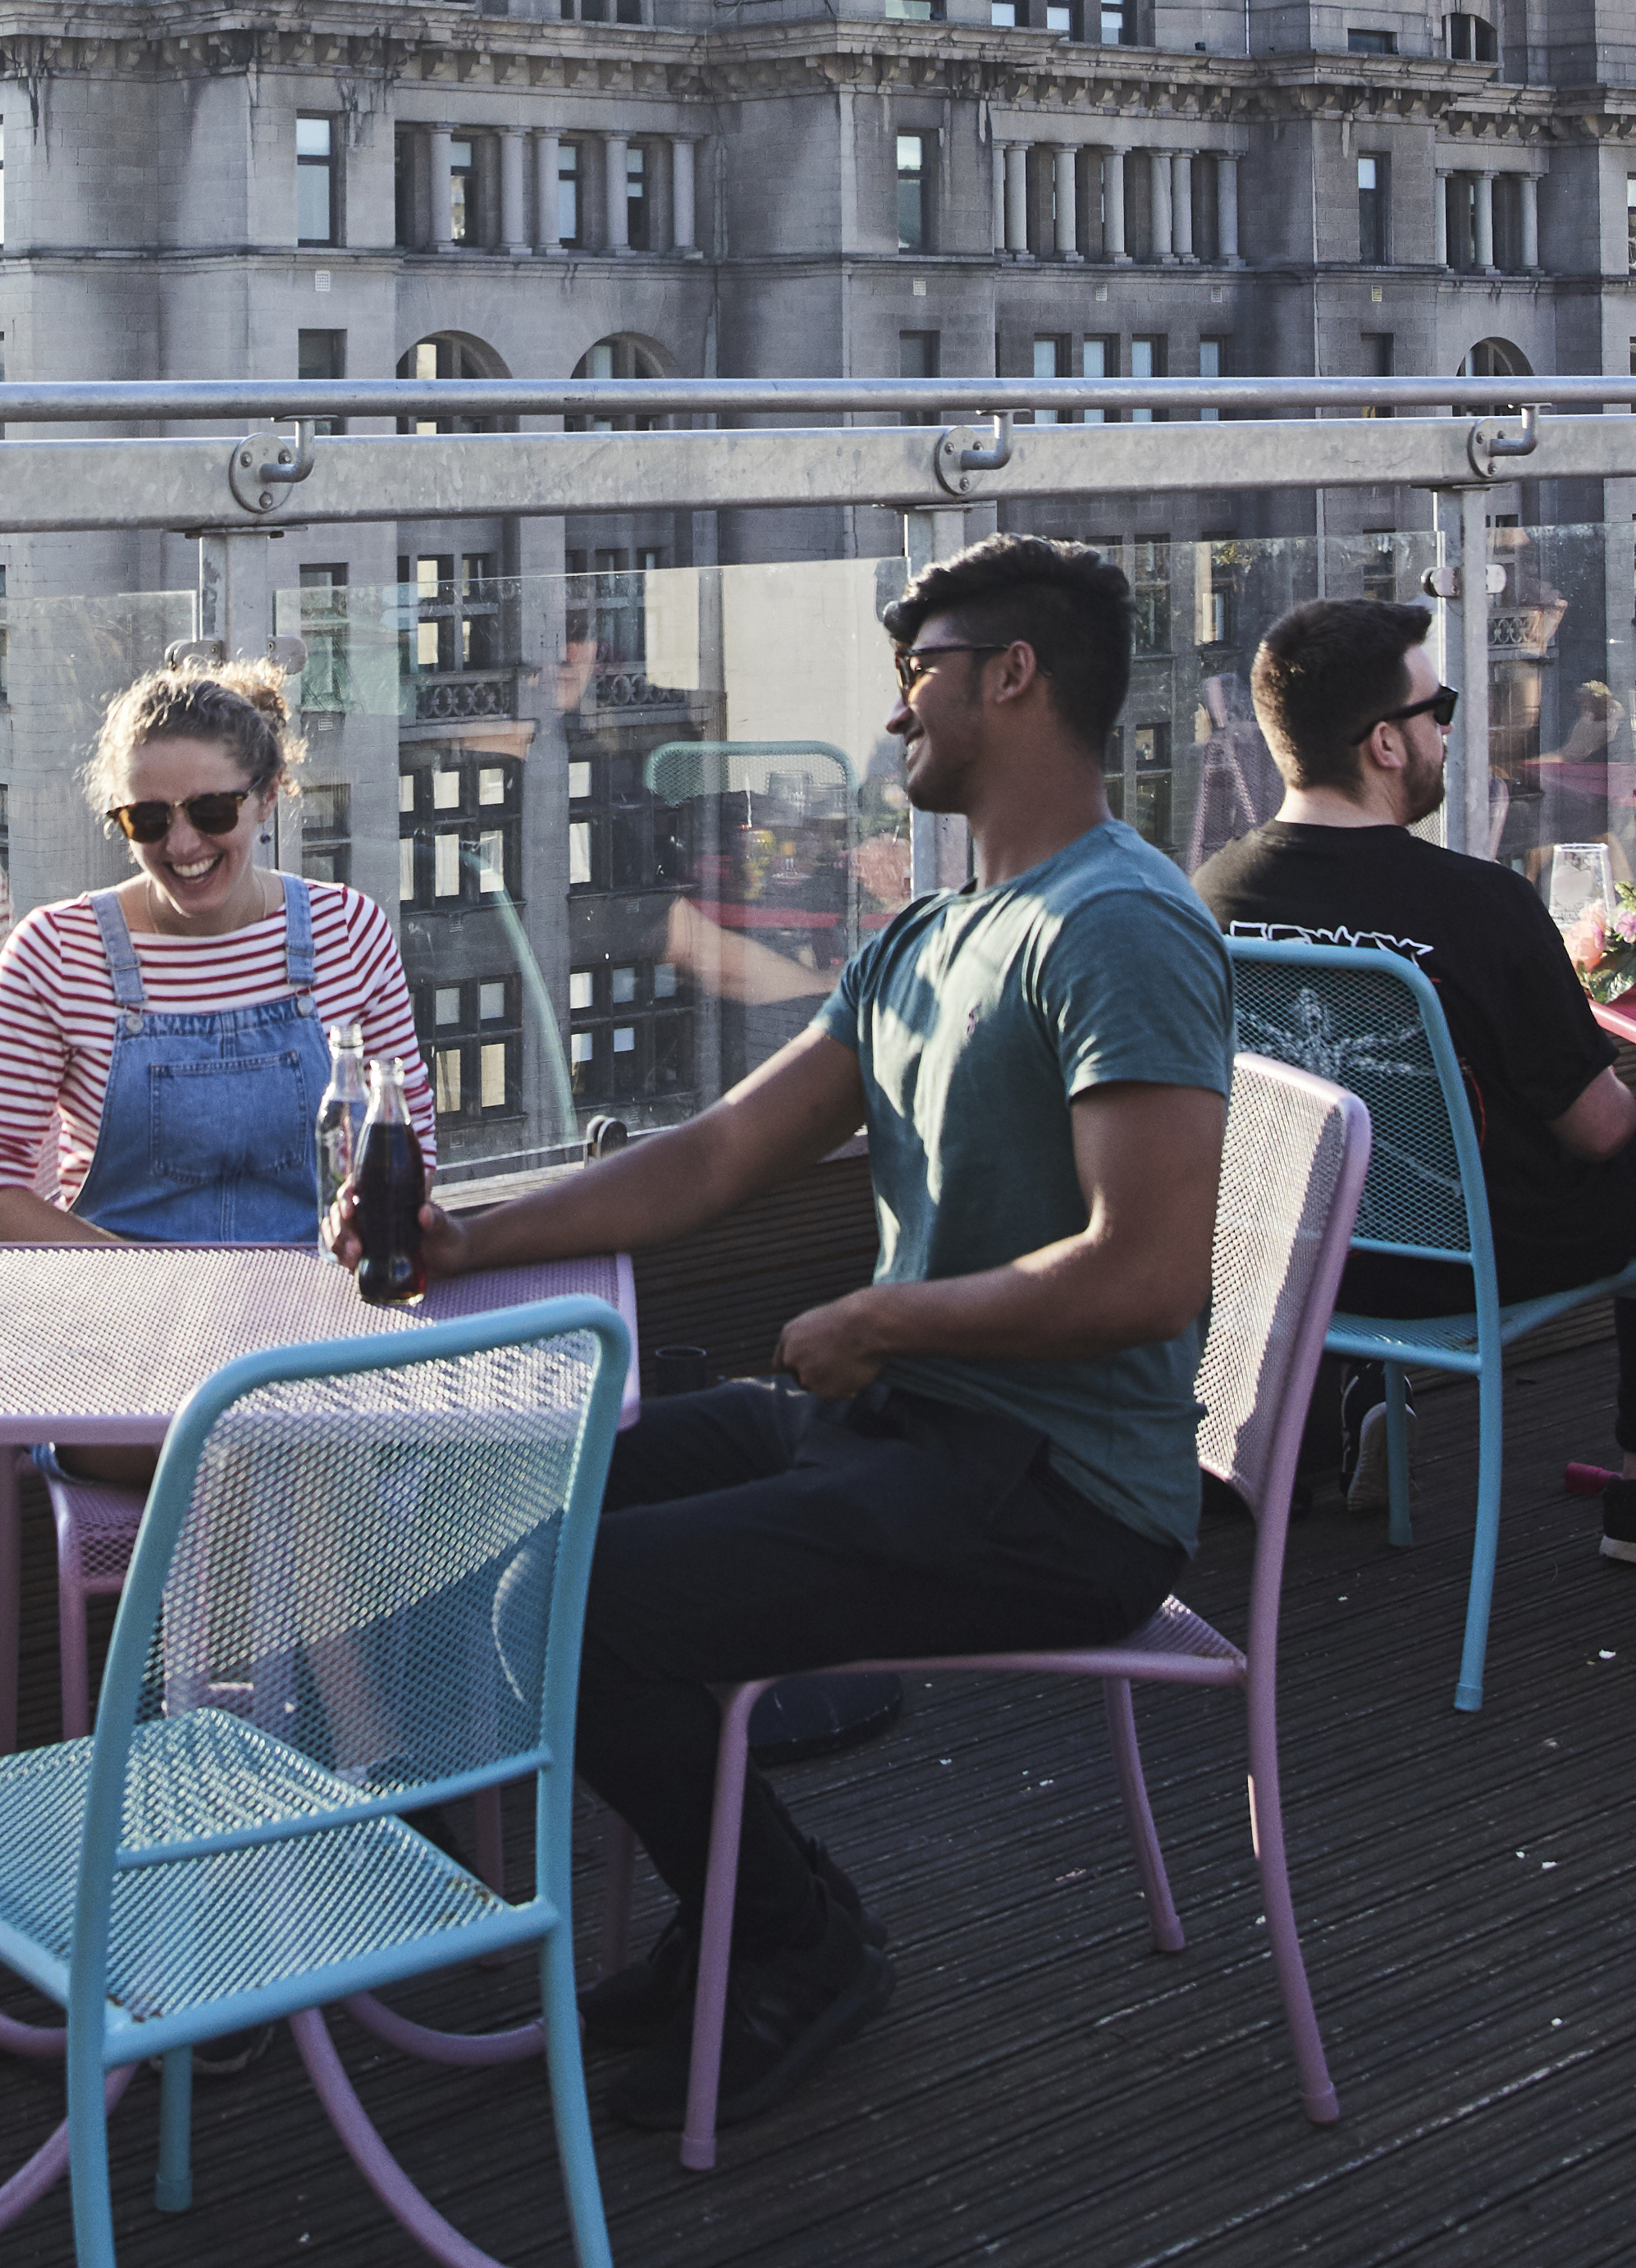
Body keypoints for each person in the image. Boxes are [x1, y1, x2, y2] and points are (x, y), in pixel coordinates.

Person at [369, 535, 1228, 2142]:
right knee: (536, 1497)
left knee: (576, 1602)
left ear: (1011, 674)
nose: (899, 704)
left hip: (1056, 1490)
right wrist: (468, 1238)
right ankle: (762, 1902)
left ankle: (789, 1937)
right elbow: (712, 1155)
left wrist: (886, 1312)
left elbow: (1149, 1271)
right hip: (905, 1427)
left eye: (921, 667)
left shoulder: (1117, 925)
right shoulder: (933, 931)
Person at [1195, 595, 1636, 1566]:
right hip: (1468, 1259)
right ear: (1383, 744)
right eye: (1436, 707)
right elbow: (1600, 1133)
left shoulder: (1207, 899)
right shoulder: (1481, 906)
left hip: (1286, 1264)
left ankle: (1328, 1409)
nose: (1449, 728)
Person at [0, 657, 433, 1246]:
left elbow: (410, 1145)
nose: (181, 843)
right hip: (123, 1319)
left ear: (267, 796)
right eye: (147, 819)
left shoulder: (349, 931)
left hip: (318, 1308)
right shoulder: (54, 953)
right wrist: (152, 1286)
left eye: (211, 811)